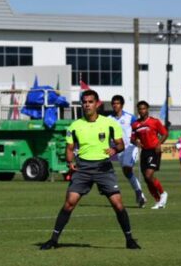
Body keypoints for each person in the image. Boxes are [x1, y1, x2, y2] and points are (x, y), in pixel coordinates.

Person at [40, 90, 140, 250]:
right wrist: (69, 161)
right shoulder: (75, 126)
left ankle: (129, 240)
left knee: (118, 204)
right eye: (84, 102)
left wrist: (115, 150)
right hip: (83, 169)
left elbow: (120, 144)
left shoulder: (110, 124)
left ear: (97, 104)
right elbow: (70, 148)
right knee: (69, 203)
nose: (87, 105)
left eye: (90, 102)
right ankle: (53, 240)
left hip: (103, 167)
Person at [108, 95, 147, 207]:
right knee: (127, 172)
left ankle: (139, 193)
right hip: (119, 149)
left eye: (117, 103)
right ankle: (139, 194)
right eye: (113, 103)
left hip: (131, 146)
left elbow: (139, 128)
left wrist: (140, 139)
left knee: (126, 166)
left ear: (122, 105)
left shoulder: (130, 117)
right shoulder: (108, 119)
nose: (115, 105)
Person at [131, 101, 169, 209]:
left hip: (154, 150)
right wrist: (136, 142)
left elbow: (165, 134)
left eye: (144, 108)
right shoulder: (135, 124)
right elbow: (132, 138)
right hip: (144, 152)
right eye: (140, 109)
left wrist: (159, 144)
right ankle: (158, 201)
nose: (142, 111)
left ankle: (163, 194)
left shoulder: (154, 121)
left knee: (149, 175)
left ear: (147, 109)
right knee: (147, 179)